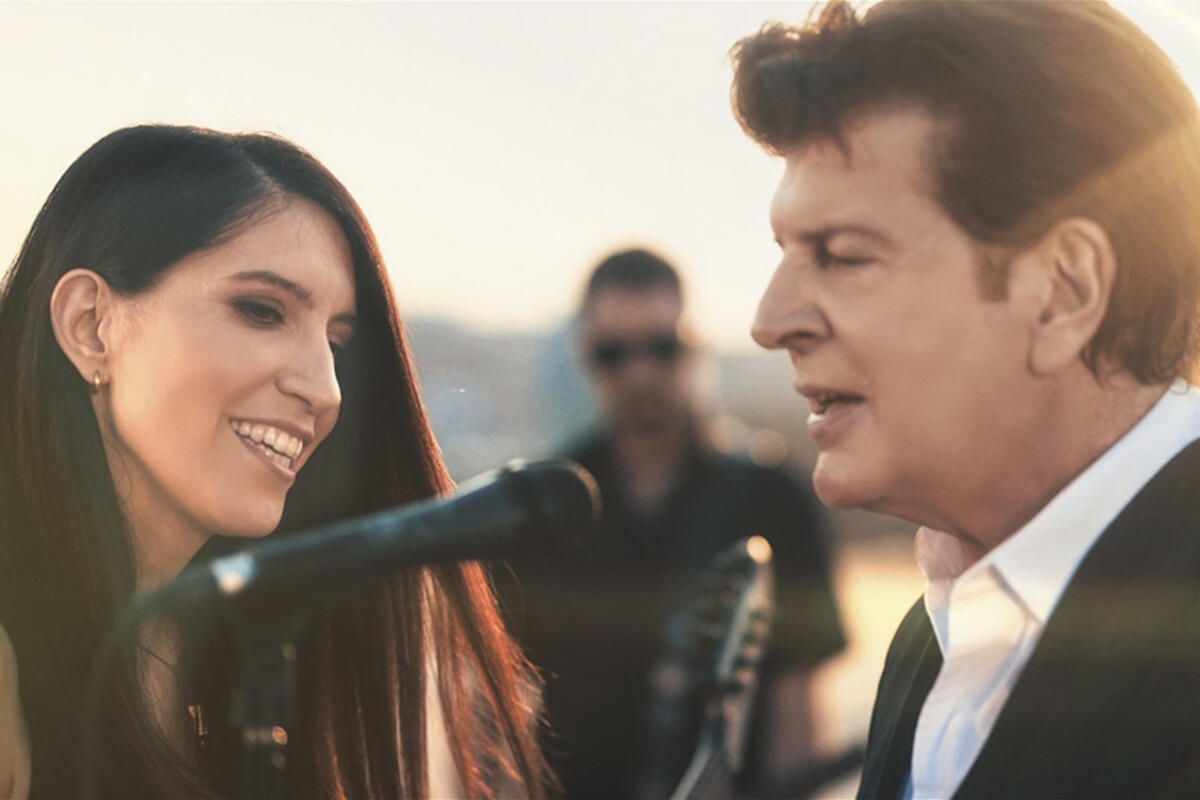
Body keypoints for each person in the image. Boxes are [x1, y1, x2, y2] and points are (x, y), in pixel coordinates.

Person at [731, 1, 1200, 798]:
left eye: (842, 255)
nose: (771, 322)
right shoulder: (935, 637)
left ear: (1063, 291)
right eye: (786, 252)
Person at [0, 125, 550, 798]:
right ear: (90, 325)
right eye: (262, 311)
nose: (325, 390)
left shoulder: (243, 663)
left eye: (337, 344)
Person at [498, 249, 844, 798]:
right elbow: (498, 703)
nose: (640, 374)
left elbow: (795, 702)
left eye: (662, 348)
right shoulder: (541, 506)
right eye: (614, 353)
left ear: (695, 346)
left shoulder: (774, 499)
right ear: (585, 355)